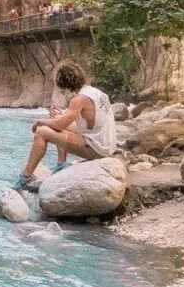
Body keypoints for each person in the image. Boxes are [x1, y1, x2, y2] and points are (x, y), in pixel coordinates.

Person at [11, 60, 117, 191]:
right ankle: (61, 164)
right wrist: (60, 116)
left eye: (61, 90)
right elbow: (88, 121)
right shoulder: (95, 92)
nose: (62, 93)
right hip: (105, 144)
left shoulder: (79, 99)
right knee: (56, 121)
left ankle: (25, 177)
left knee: (42, 132)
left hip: (97, 149)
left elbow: (61, 125)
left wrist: (41, 122)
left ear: (65, 85)